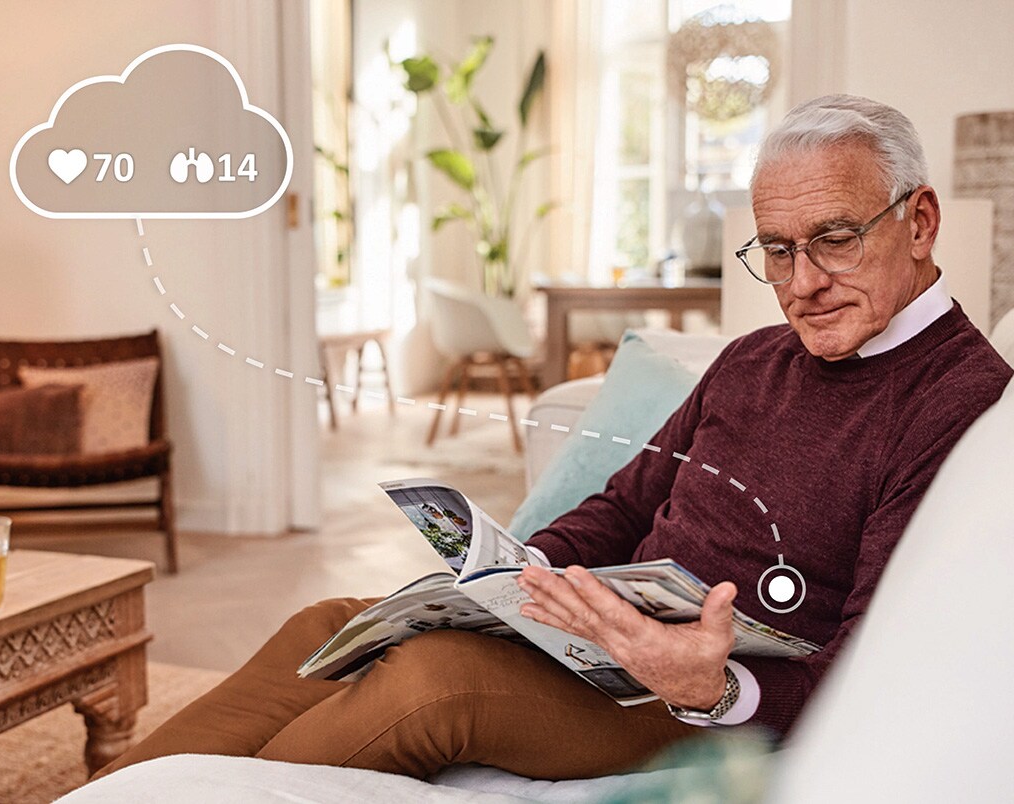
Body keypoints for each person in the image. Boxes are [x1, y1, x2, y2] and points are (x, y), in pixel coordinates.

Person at [94, 95, 1013, 782]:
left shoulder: (961, 401)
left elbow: (868, 662)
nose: (801, 282)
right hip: (605, 638)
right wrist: (511, 573)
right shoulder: (754, 357)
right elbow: (624, 507)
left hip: (697, 700)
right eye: (776, 250)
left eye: (835, 240)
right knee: (332, 627)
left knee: (429, 685)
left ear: (920, 220)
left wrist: (713, 687)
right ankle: (111, 798)